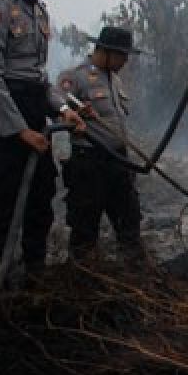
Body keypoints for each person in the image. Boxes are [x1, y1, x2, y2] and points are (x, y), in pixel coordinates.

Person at [0, 0, 84, 281]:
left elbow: (39, 78)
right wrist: (21, 131)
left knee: (41, 196)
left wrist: (64, 109)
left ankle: (35, 274)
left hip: (35, 106)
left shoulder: (39, 11)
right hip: (7, 114)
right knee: (4, 202)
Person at [57, 26, 144, 264]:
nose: (125, 61)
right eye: (121, 55)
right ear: (105, 51)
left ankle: (135, 275)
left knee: (129, 220)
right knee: (85, 225)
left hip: (118, 160)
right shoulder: (74, 77)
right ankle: (84, 278)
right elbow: (57, 112)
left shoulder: (115, 80)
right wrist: (72, 115)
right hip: (89, 163)